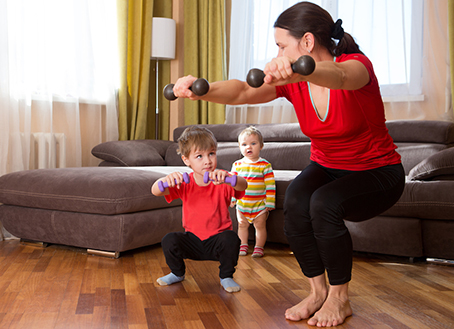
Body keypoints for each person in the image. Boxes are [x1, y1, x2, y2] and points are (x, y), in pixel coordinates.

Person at [168, 2, 405, 326]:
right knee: (294, 199)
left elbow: (340, 77)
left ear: (307, 42)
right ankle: (317, 291)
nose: (278, 52)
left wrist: (299, 69)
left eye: (282, 45)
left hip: (378, 173)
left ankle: (340, 297)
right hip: (327, 167)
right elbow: (241, 92)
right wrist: (201, 90)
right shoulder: (294, 82)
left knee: (323, 202)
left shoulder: (357, 65)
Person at [151, 126, 248, 293]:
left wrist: (231, 179)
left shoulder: (223, 179)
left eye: (211, 153)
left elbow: (243, 185)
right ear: (186, 160)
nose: (207, 161)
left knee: (231, 239)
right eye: (199, 156)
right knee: (169, 239)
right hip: (192, 240)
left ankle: (226, 276)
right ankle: (177, 273)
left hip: (217, 241)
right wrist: (165, 181)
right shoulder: (184, 182)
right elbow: (155, 191)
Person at [231, 126, 275, 258]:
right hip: (242, 203)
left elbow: (270, 185)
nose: (248, 147)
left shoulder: (265, 165)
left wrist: (270, 202)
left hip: (259, 204)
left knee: (260, 225)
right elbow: (233, 184)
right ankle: (243, 245)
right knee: (242, 225)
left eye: (253, 144)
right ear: (239, 147)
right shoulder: (237, 165)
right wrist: (233, 199)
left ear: (261, 146)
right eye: (244, 144)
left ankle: (259, 247)